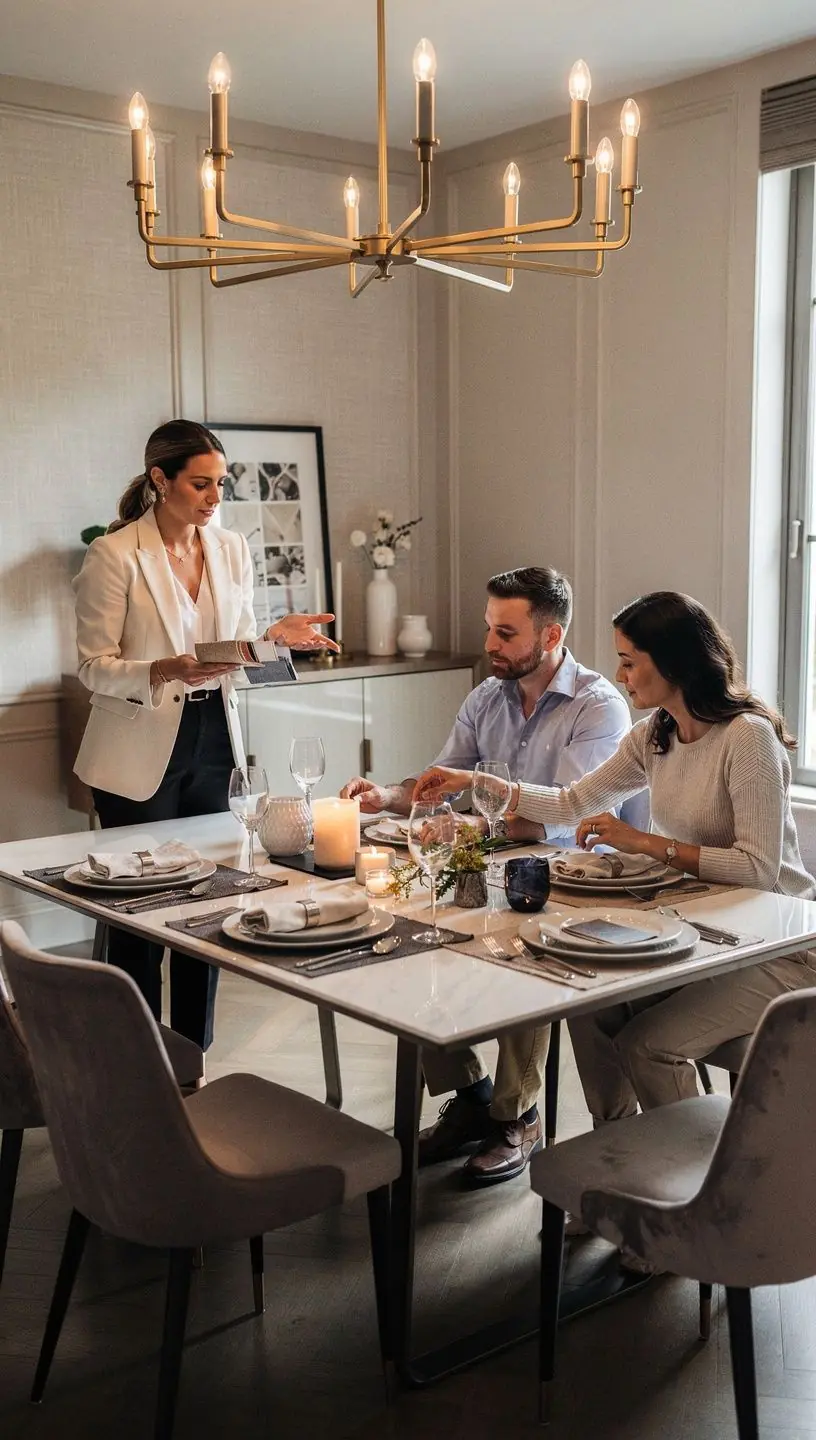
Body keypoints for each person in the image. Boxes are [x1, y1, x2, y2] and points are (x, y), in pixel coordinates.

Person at [414, 589, 816, 1130]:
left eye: (630, 661)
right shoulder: (656, 734)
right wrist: (477, 782)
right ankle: (618, 1150)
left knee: (650, 1044)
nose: (620, 675)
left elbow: (758, 870)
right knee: (590, 1000)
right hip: (709, 930)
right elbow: (572, 801)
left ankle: (691, 1190)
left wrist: (644, 842)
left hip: (781, 946)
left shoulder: (747, 738)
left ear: (674, 662)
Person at [342, 566, 642, 1184]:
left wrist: (477, 828)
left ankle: (517, 1117)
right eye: (489, 629)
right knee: (408, 937)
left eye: (506, 633)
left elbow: (572, 816)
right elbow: (441, 783)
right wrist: (390, 796)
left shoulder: (598, 706)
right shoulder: (486, 696)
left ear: (551, 633)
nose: (490, 645)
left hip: (581, 879)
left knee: (520, 958)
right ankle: (473, 1097)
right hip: (493, 863)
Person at [73, 420, 338, 1053]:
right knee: (140, 911)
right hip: (139, 745)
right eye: (200, 483)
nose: (214, 497)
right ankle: (134, 1058)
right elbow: (93, 666)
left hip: (215, 733)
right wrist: (167, 667)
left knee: (205, 901)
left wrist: (276, 638)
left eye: (220, 483)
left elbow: (235, 645)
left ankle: (192, 1055)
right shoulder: (114, 555)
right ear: (160, 480)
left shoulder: (230, 548)